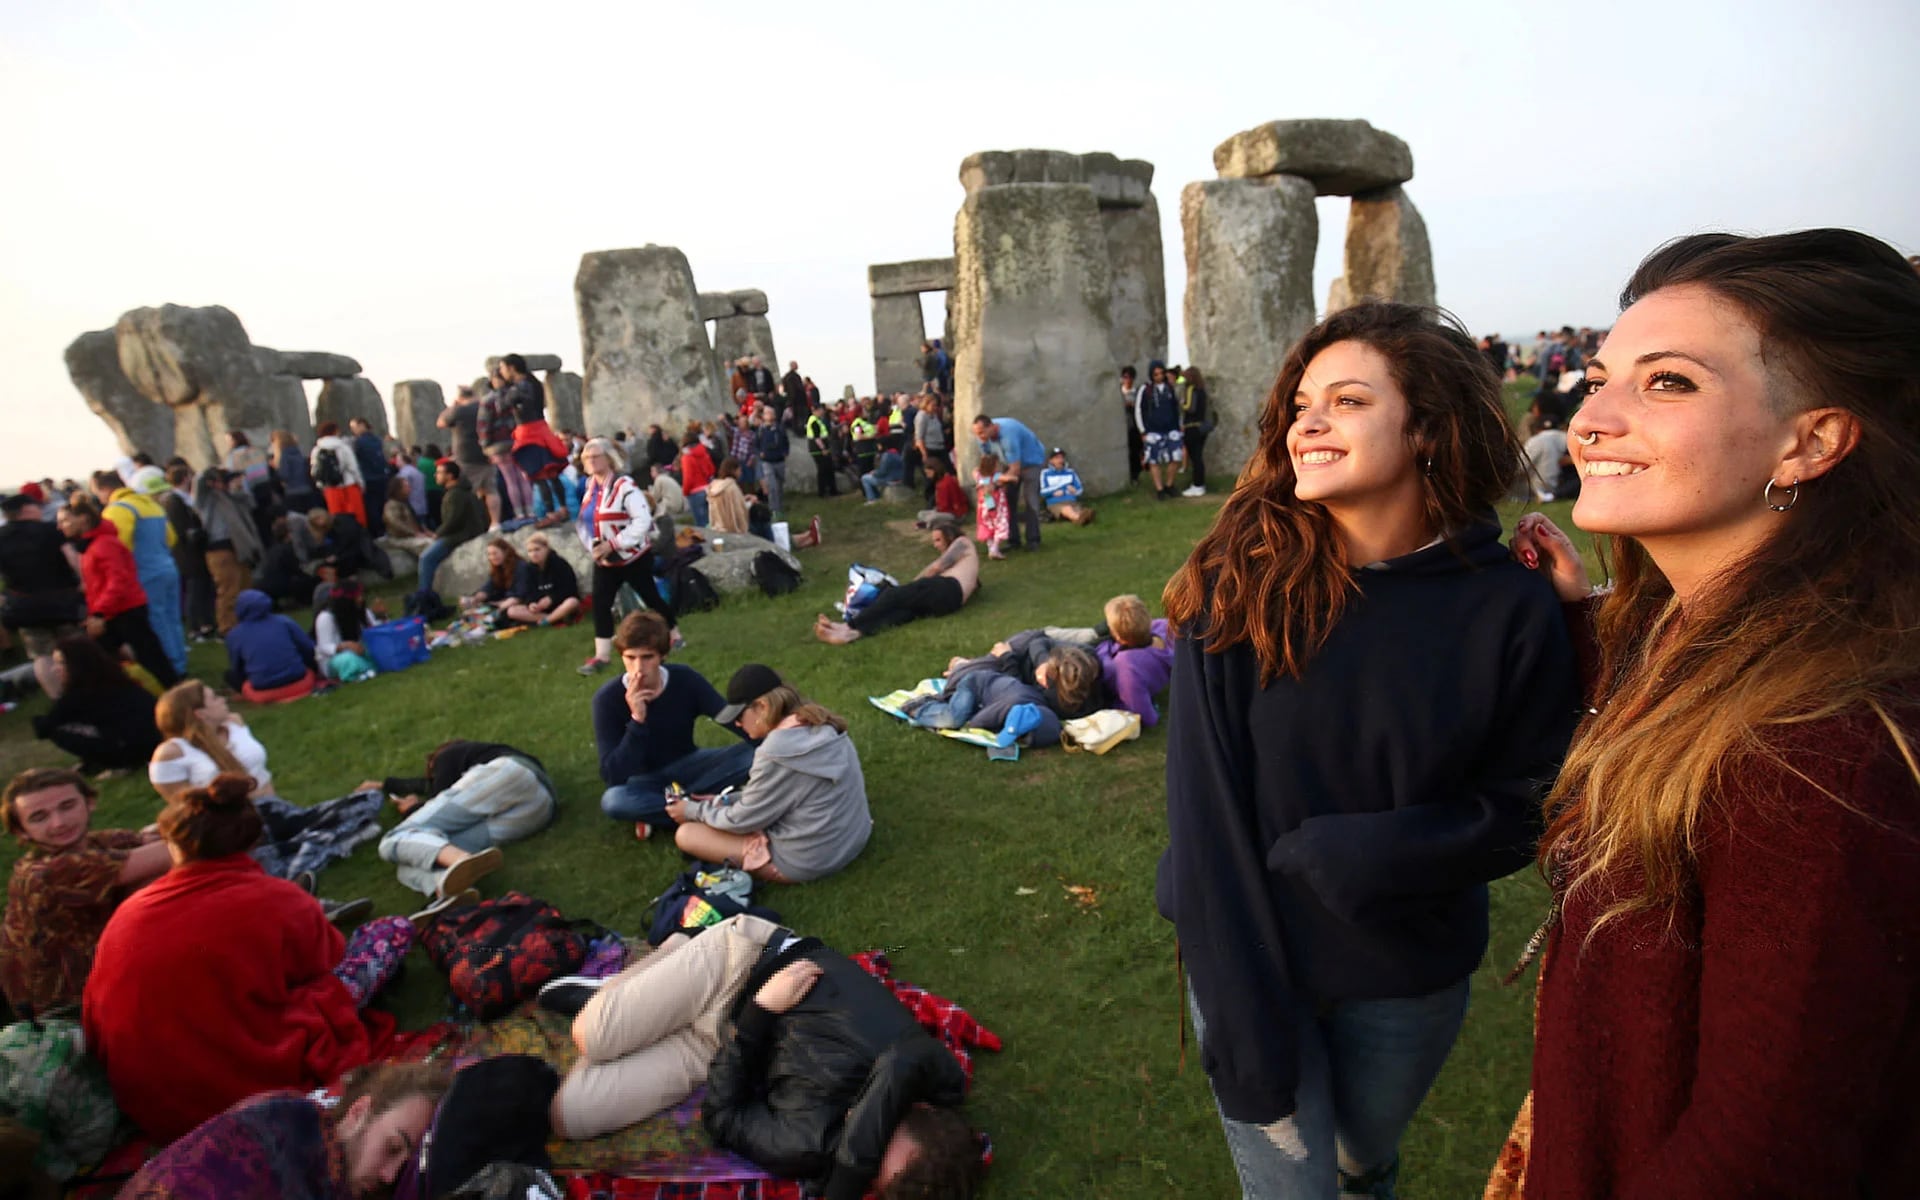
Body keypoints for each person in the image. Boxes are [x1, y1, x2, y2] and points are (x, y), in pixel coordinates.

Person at [1497, 230, 1920, 1198]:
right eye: (1598, 376)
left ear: (1812, 441)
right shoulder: (1704, 639)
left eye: (1669, 383)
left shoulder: (1818, 757)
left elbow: (1765, 1151)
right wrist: (1578, 625)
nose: (1591, 416)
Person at [1159, 300, 1580, 1198]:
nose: (1307, 422)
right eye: (1303, 403)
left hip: (1407, 976)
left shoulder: (1510, 605)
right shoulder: (1236, 588)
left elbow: (1532, 803)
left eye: (1348, 401)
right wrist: (1240, 1016)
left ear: (1426, 427)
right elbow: (1206, 822)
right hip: (1251, 965)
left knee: (1364, 1164)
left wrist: (1377, 851)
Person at [543, 916, 982, 1200]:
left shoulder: (811, 1147)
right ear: (919, 1106)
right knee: (592, 1035)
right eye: (877, 1128)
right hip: (742, 962)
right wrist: (850, 1175)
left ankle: (643, 995)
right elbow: (900, 1065)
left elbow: (723, 1118)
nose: (858, 1125)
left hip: (726, 1038)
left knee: (569, 1115)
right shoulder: (927, 1070)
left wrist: (759, 1017)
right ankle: (655, 963)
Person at [82, 774, 412, 1143]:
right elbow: (325, 964)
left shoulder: (129, 911)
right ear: (253, 840)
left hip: (151, 1103)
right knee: (391, 930)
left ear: (173, 846)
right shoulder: (276, 899)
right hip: (244, 1089)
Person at [118, 1061, 451, 1199]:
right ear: (359, 1112)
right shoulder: (282, 1123)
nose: (389, 1176)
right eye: (393, 1147)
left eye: (405, 1168)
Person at [663, 665, 870, 883]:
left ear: (762, 707)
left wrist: (692, 810)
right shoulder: (821, 723)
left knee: (687, 835)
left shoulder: (775, 753)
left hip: (810, 860)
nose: (737, 723)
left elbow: (741, 820)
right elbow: (780, 794)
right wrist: (722, 800)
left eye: (740, 715)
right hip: (852, 838)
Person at [0, 767, 172, 1016]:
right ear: (21, 831)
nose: (59, 823)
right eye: (40, 817)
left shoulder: (95, 844)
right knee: (163, 878)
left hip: (102, 976)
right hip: (65, 1010)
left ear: (89, 803)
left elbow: (154, 838)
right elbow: (177, 849)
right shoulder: (47, 873)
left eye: (67, 806)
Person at [592, 611, 755, 836]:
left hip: (691, 764)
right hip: (643, 780)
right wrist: (637, 721)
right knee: (614, 801)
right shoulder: (607, 699)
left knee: (759, 753)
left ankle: (676, 812)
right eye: (630, 658)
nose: (639, 668)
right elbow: (613, 775)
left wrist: (774, 738)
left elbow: (728, 717)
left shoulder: (684, 679)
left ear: (663, 655)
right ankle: (706, 808)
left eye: (647, 657)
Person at [367, 740, 554, 913]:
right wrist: (386, 785)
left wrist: (413, 809)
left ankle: (460, 859)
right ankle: (449, 890)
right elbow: (429, 789)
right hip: (540, 807)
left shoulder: (448, 755)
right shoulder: (468, 767)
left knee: (394, 839)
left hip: (509, 775)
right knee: (407, 863)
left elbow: (438, 794)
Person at [577, 439, 679, 675]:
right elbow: (584, 520)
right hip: (604, 559)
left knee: (650, 596)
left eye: (596, 456)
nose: (591, 461)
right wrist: (593, 545)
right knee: (601, 603)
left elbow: (642, 521)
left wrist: (614, 543)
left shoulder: (625, 485)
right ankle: (601, 656)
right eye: (586, 457)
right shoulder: (591, 486)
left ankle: (674, 633)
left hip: (632, 555)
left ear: (609, 458)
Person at [59, 498, 180, 688]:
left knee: (149, 655)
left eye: (65, 520)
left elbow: (119, 580)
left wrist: (99, 612)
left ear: (83, 519)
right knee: (109, 657)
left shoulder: (104, 544)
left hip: (124, 608)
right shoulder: (91, 546)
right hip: (110, 609)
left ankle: (173, 691)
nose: (60, 526)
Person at [901, 640, 1100, 747]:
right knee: (955, 717)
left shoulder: (1062, 699)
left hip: (1001, 681)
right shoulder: (1041, 691)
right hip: (977, 681)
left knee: (961, 714)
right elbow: (976, 722)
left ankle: (960, 667)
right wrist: (1039, 661)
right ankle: (917, 707)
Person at [815, 514, 977, 644]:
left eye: (938, 540)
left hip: (947, 588)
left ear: (950, 535)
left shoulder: (962, 542)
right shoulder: (967, 561)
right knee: (905, 612)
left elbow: (936, 567)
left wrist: (911, 585)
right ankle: (854, 634)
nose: (935, 545)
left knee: (893, 595)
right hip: (950, 602)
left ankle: (847, 626)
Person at [94, 469, 187, 678]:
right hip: (168, 566)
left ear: (105, 489)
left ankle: (172, 667)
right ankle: (180, 660)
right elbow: (171, 538)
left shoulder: (116, 510)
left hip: (145, 572)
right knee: (173, 618)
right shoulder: (151, 504)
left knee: (156, 621)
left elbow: (119, 546)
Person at [30, 636, 162, 773]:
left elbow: (44, 727)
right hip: (156, 742)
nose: (54, 669)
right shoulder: (119, 680)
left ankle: (111, 764)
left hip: (128, 751)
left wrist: (38, 721)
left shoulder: (79, 695)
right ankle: (95, 762)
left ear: (77, 665)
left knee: (58, 729)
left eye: (61, 663)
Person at [0, 490, 85, 698]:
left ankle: (59, 698)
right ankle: (89, 689)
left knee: (41, 656)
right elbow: (73, 558)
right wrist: (85, 581)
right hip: (63, 600)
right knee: (78, 646)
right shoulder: (50, 530)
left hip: (24, 605)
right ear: (27, 509)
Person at [194, 466, 264, 633]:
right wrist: (210, 476)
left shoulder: (234, 499)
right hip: (219, 548)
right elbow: (199, 486)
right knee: (228, 590)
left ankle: (247, 620)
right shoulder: (209, 500)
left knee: (245, 586)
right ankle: (227, 627)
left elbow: (250, 502)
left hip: (240, 548)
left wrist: (238, 488)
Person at [969, 415, 1046, 550]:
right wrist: (985, 480)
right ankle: (1012, 540)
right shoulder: (982, 438)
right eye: (976, 433)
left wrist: (996, 484)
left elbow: (1015, 468)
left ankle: (1033, 540)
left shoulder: (1008, 436)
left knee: (1030, 500)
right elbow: (987, 462)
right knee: (1007, 501)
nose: (979, 437)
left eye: (981, 432)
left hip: (1031, 463)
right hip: (1008, 463)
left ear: (991, 426)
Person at [1094, 594, 1172, 726]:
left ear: (1118, 636)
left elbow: (1145, 716)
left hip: (1091, 661)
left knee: (1052, 640)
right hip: (1106, 647)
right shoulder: (1163, 627)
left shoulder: (1128, 667)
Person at [160, 465, 216, 641]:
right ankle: (196, 626)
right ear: (185, 478)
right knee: (195, 589)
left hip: (193, 552)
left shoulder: (180, 499)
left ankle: (206, 622)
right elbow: (181, 530)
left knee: (202, 587)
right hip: (188, 554)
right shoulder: (174, 501)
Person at [418, 459, 487, 596]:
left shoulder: (455, 494)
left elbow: (453, 521)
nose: (435, 476)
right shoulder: (460, 491)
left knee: (426, 558)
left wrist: (437, 534)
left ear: (449, 476)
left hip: (461, 535)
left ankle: (425, 595)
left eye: (439, 473)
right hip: (464, 532)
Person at [437, 386, 494, 522]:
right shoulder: (485, 406)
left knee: (467, 491)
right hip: (488, 454)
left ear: (460, 397)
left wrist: (452, 406)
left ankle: (473, 522)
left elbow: (441, 422)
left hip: (467, 456)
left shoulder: (460, 410)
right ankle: (494, 522)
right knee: (491, 491)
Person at [504, 531, 582, 627]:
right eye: (530, 551)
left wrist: (551, 599)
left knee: (572, 602)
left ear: (546, 549)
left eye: (537, 550)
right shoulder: (529, 568)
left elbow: (569, 589)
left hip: (561, 603)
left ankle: (548, 620)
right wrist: (532, 604)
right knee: (512, 611)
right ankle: (554, 618)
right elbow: (528, 592)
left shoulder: (559, 564)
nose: (534, 554)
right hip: (542, 608)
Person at [1136, 360, 1185, 499]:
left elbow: (1177, 408)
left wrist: (1180, 425)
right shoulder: (1146, 389)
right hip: (1152, 430)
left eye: (1161, 373)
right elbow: (1138, 410)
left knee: (1176, 457)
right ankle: (1159, 489)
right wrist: (1142, 431)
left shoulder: (1170, 388)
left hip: (1171, 428)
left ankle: (1169, 484)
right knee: (1154, 460)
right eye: (1156, 374)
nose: (1159, 376)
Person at [314, 581, 380, 681]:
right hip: (334, 659)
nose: (361, 599)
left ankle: (366, 668)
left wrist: (382, 616)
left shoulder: (362, 611)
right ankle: (360, 671)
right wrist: (345, 645)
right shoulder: (325, 617)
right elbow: (324, 647)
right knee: (347, 660)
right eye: (357, 597)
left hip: (360, 650)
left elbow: (376, 631)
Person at [310, 422, 368, 527]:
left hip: (331, 488)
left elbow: (315, 471)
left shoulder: (317, 450)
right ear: (335, 431)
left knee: (337, 519)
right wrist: (361, 484)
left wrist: (321, 486)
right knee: (357, 518)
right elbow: (353, 467)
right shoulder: (343, 447)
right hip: (349, 485)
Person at [1521, 404, 1578, 502]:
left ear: (1538, 429)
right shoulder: (1567, 438)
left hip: (1531, 490)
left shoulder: (1535, 440)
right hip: (1559, 487)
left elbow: (1520, 467)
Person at [345, 418, 389, 538]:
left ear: (362, 425)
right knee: (382, 505)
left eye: (354, 427)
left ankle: (377, 533)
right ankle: (385, 530)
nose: (353, 431)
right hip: (382, 477)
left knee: (371, 507)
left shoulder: (358, 442)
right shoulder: (378, 440)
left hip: (368, 479)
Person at [463, 537, 523, 613]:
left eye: (495, 553)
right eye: (489, 554)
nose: (492, 557)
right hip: (504, 599)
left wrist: (499, 604)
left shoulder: (520, 567)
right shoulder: (498, 567)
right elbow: (489, 586)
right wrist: (474, 598)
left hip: (517, 601)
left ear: (505, 552)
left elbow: (520, 594)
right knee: (476, 602)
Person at [1039, 447, 1095, 526]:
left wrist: (1075, 491)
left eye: (1062, 458)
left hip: (1071, 501)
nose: (1060, 460)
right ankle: (1079, 519)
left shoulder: (1070, 472)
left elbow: (1080, 490)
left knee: (1075, 509)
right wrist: (1053, 492)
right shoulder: (1045, 473)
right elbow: (1043, 492)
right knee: (1067, 509)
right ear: (1051, 461)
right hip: (1055, 502)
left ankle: (1082, 517)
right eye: (1057, 458)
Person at [272, 429, 321, 516]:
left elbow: (284, 475)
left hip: (293, 492)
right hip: (307, 490)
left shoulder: (284, 456)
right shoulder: (298, 452)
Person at [1180, 366, 1212, 497]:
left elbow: (1189, 407)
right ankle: (1199, 484)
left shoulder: (1191, 389)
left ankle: (1197, 485)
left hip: (1192, 427)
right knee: (1198, 457)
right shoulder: (1202, 390)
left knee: (1195, 458)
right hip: (1201, 427)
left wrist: (1181, 403)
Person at [380, 476, 434, 554]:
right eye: (406, 486)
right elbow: (395, 523)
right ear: (398, 489)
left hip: (411, 535)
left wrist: (425, 531)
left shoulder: (405, 503)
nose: (409, 488)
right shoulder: (391, 505)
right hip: (399, 538)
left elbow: (416, 521)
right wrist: (414, 533)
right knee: (428, 544)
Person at [971, 452, 1010, 559]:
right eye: (996, 465)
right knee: (999, 522)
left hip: (985, 503)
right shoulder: (996, 476)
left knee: (987, 524)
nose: (998, 467)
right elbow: (1007, 478)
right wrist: (1013, 477)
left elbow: (974, 471)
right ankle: (995, 548)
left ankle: (991, 547)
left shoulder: (979, 475)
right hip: (995, 502)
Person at [754, 405, 789, 517]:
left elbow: (785, 441)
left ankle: (779, 507)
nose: (769, 415)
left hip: (779, 460)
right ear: (763, 416)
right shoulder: (760, 430)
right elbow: (755, 445)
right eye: (767, 413)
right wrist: (760, 453)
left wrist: (785, 452)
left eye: (771, 413)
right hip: (767, 462)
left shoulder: (779, 428)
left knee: (779, 485)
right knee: (772, 486)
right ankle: (773, 510)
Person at [679, 430, 717, 527]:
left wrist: (685, 492)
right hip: (708, 489)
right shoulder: (704, 453)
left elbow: (688, 478)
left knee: (701, 525)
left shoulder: (687, 457)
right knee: (710, 521)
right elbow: (712, 470)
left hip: (695, 493)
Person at [917, 457, 968, 528]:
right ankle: (931, 523)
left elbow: (949, 505)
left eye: (928, 473)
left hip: (954, 514)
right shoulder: (940, 482)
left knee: (932, 518)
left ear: (935, 470)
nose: (927, 476)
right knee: (921, 514)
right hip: (943, 511)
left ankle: (932, 524)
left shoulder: (947, 482)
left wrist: (937, 511)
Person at [706, 457, 751, 534]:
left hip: (717, 528)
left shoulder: (715, 486)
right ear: (734, 471)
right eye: (739, 470)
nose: (740, 473)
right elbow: (739, 511)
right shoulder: (732, 488)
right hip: (733, 530)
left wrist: (743, 498)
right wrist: (751, 503)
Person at [805, 403, 838, 497]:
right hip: (818, 450)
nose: (822, 412)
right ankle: (823, 492)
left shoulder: (818, 420)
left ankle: (832, 490)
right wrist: (823, 448)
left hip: (820, 449)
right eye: (820, 410)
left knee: (828, 469)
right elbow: (816, 437)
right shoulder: (814, 421)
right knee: (823, 470)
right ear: (815, 411)